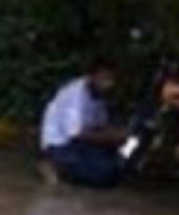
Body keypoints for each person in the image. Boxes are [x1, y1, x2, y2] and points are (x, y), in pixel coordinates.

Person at [39, 58, 127, 188]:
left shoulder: (98, 97)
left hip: (82, 145)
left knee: (117, 166)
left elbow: (99, 125)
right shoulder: (75, 94)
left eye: (111, 79)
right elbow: (77, 133)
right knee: (104, 174)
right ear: (91, 77)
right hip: (60, 145)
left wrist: (119, 134)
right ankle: (54, 164)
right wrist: (112, 137)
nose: (108, 84)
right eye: (104, 78)